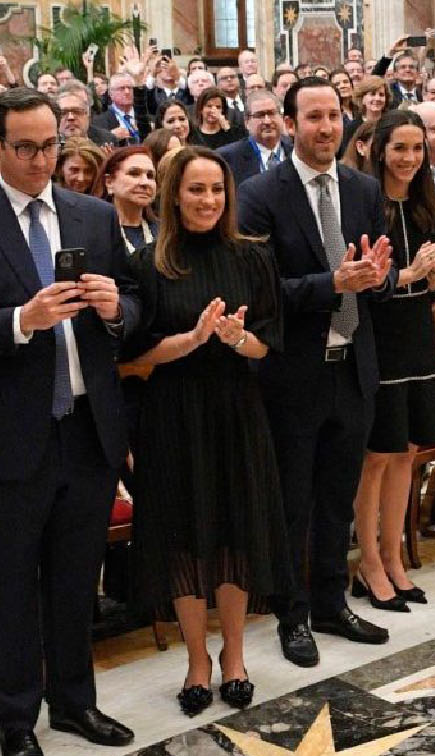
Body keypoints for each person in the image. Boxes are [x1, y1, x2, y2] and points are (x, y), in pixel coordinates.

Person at [0, 87, 142, 756]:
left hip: (87, 427)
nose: (44, 159)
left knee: (77, 576)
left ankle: (76, 701)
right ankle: (18, 721)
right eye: (26, 147)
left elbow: (137, 303)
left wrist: (115, 308)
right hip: (9, 433)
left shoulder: (93, 214)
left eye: (52, 144)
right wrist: (21, 320)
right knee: (12, 584)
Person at [237, 78, 397, 668]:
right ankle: (292, 613)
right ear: (288, 122)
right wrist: (330, 284)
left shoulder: (362, 187)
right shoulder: (260, 194)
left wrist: (377, 277)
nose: (326, 127)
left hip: (352, 366)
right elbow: (257, 292)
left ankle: (331, 602)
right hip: (292, 374)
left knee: (337, 498)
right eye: (313, 117)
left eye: (334, 116)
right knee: (293, 502)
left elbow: (374, 268)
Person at [121, 145, 282, 717]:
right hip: (172, 414)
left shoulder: (253, 257)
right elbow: (134, 354)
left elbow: (269, 345)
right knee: (184, 539)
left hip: (236, 412)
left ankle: (234, 655)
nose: (208, 200)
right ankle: (197, 660)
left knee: (237, 533)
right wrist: (191, 340)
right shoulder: (148, 265)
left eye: (216, 190)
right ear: (173, 194)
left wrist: (236, 338)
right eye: (195, 189)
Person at [354, 112, 435, 603]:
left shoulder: (427, 204)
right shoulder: (363, 203)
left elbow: (430, 282)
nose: (411, 158)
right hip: (378, 336)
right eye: (400, 148)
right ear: (379, 150)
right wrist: (415, 274)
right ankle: (368, 562)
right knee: (377, 456)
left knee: (409, 452)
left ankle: (394, 556)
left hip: (418, 334)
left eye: (418, 148)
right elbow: (367, 285)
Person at [217, 90, 290, 185]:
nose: (267, 121)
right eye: (260, 115)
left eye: (272, 113)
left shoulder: (298, 152)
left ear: (281, 117)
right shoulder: (227, 159)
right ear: (247, 122)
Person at [99, 145, 158, 251]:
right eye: (134, 174)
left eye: (150, 176)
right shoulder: (94, 233)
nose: (145, 182)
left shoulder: (166, 234)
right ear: (109, 182)